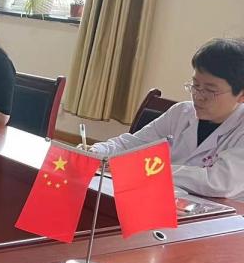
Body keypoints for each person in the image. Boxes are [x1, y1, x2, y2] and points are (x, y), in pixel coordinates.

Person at [89, 38, 244, 199]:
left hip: (224, 211)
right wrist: (97, 152)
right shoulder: (181, 113)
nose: (198, 96)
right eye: (195, 85)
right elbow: (132, 145)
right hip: (166, 200)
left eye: (210, 90)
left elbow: (219, 182)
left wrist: (146, 169)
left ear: (241, 95)